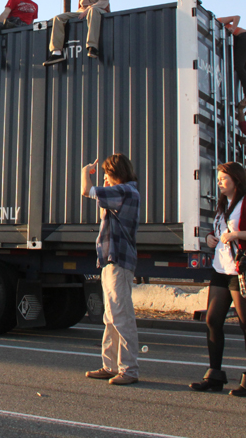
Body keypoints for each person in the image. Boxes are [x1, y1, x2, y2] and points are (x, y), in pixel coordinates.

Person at [190, 162, 246, 397]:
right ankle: (215, 375)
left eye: (223, 178)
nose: (219, 182)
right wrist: (209, 238)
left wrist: (237, 234)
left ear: (236, 180)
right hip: (221, 269)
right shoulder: (223, 204)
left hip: (241, 271)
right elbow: (218, 232)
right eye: (218, 179)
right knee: (213, 320)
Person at [81, 154, 141, 386]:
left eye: (107, 173)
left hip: (119, 260)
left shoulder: (125, 191)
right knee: (111, 316)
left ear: (116, 173)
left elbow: (87, 191)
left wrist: (85, 171)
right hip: (110, 259)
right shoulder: (124, 192)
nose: (104, 177)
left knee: (121, 316)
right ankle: (110, 365)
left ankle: (129, 369)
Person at [44, 0, 110, 65]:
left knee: (92, 11)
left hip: (98, 9)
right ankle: (56, 52)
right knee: (58, 17)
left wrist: (89, 9)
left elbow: (104, 0)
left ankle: (92, 47)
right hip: (82, 10)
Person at [216, 16, 246, 109]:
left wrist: (233, 28)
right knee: (245, 70)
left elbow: (236, 17)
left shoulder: (217, 21)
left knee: (239, 66)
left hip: (245, 37)